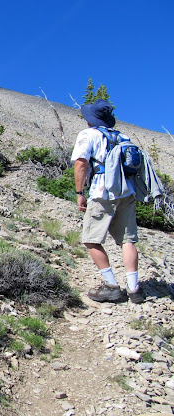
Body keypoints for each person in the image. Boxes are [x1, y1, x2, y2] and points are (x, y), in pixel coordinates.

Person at [71, 99, 144, 304]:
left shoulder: (88, 135)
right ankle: (134, 288)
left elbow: (81, 163)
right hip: (126, 191)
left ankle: (111, 286)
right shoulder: (123, 137)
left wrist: (79, 192)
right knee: (127, 240)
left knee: (91, 239)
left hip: (102, 192)